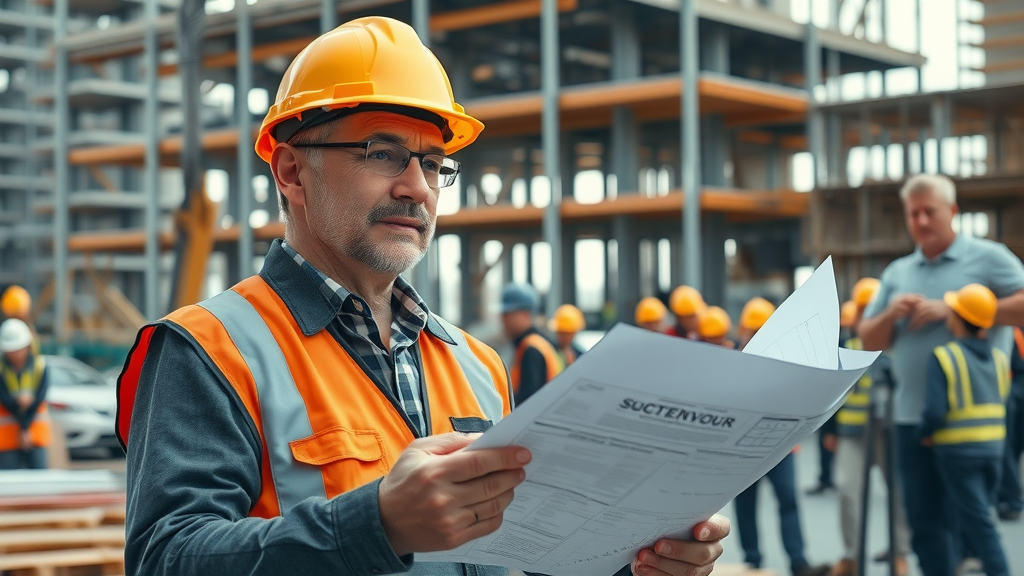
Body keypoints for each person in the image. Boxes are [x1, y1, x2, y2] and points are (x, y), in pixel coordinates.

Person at [115, 17, 729, 576]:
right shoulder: (208, 351)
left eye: (434, 164)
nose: (417, 188)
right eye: (383, 153)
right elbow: (166, 559)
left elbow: (526, 558)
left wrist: (636, 565)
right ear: (292, 171)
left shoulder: (478, 365)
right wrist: (375, 525)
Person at [858, 174, 1024, 576]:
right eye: (912, 213)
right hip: (911, 420)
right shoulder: (898, 272)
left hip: (968, 428)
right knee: (925, 527)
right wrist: (889, 313)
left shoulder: (990, 257)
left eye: (928, 211)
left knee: (973, 526)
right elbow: (867, 339)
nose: (919, 221)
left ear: (952, 211)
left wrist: (955, 309)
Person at [731, 302, 830, 576]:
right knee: (746, 505)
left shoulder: (787, 362)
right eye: (753, 331)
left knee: (788, 499)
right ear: (742, 331)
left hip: (781, 447)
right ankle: (752, 562)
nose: (756, 337)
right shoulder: (732, 363)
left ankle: (798, 562)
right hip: (744, 450)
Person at [920, 284, 1011, 576]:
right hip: (994, 449)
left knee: (981, 524)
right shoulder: (999, 358)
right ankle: (963, 561)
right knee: (977, 515)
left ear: (958, 317)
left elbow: (935, 411)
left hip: (958, 452)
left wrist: (922, 433)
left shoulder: (945, 356)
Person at [826, 279, 911, 576]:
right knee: (847, 490)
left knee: (898, 492)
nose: (864, 314)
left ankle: (900, 554)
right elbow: (830, 393)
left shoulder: (897, 345)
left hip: (889, 432)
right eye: (861, 308)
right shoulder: (845, 345)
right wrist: (830, 432)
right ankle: (852, 556)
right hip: (852, 434)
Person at [501, 283, 563, 405]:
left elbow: (528, 402)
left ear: (525, 314)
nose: (503, 319)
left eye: (508, 314)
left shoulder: (531, 349)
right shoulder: (539, 343)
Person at [0, 318, 49, 469]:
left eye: (17, 349)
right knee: (9, 486)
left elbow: (40, 397)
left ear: (27, 346)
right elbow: (4, 398)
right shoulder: (1, 368)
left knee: (39, 482)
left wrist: (25, 427)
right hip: (7, 437)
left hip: (35, 434)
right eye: (11, 350)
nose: (14, 354)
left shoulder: (40, 366)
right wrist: (23, 426)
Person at [996, 326, 1024, 521]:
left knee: (1009, 448)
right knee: (1013, 448)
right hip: (1016, 388)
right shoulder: (1014, 330)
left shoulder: (1011, 330)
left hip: (1014, 389)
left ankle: (1011, 499)